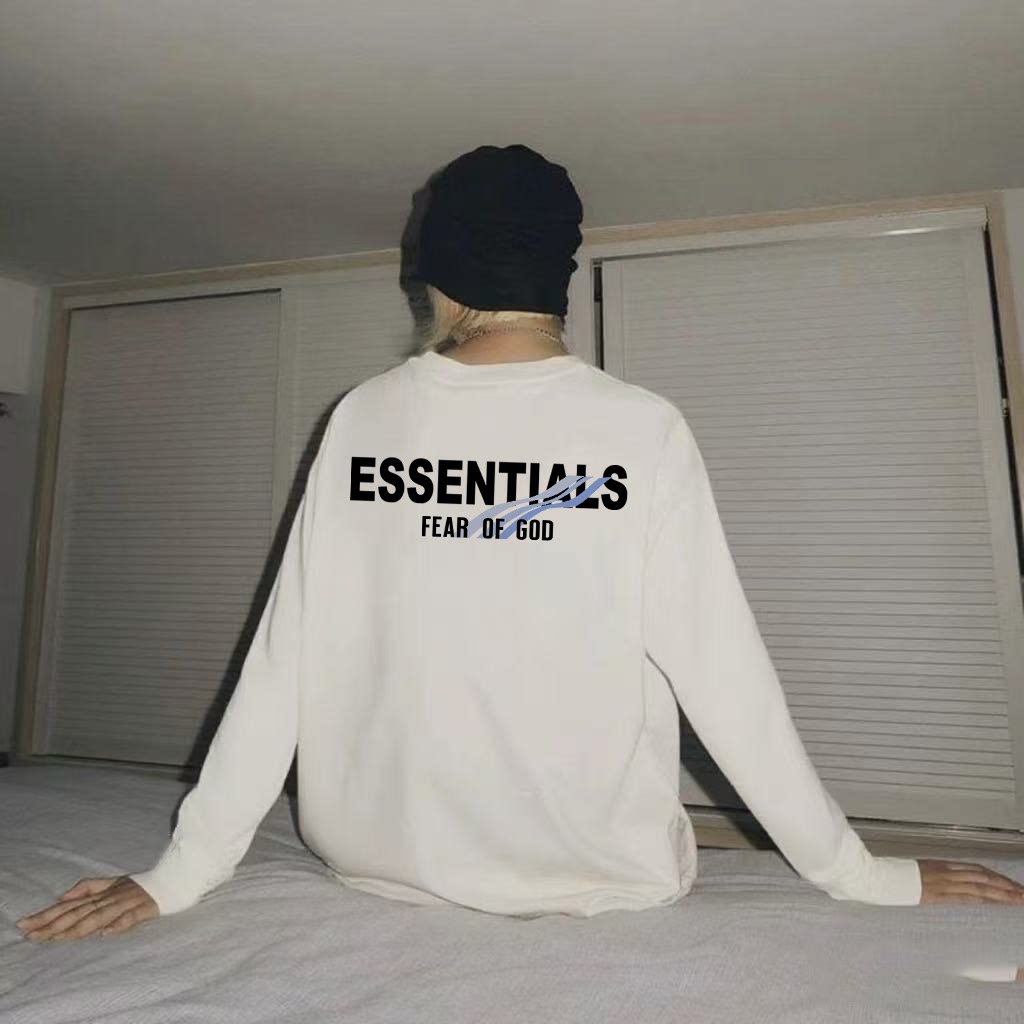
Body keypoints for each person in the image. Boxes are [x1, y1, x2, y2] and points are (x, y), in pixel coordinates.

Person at [17, 144, 1024, 943]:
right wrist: (854, 870)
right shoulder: (639, 428)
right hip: (600, 876)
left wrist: (184, 871)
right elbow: (724, 674)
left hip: (376, 863)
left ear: (435, 275)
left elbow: (284, 658)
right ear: (559, 273)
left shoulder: (365, 417)